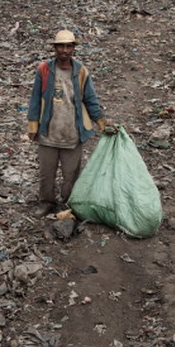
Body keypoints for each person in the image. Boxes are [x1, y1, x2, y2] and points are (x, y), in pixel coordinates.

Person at [26, 29, 113, 215]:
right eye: (60, 46)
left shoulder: (81, 71)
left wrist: (103, 123)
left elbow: (90, 100)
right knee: (46, 173)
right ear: (54, 48)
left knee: (71, 174)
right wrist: (33, 125)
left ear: (73, 48)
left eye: (68, 46)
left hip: (72, 133)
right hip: (49, 131)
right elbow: (35, 99)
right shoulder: (44, 69)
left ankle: (68, 204)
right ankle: (47, 202)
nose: (64, 50)